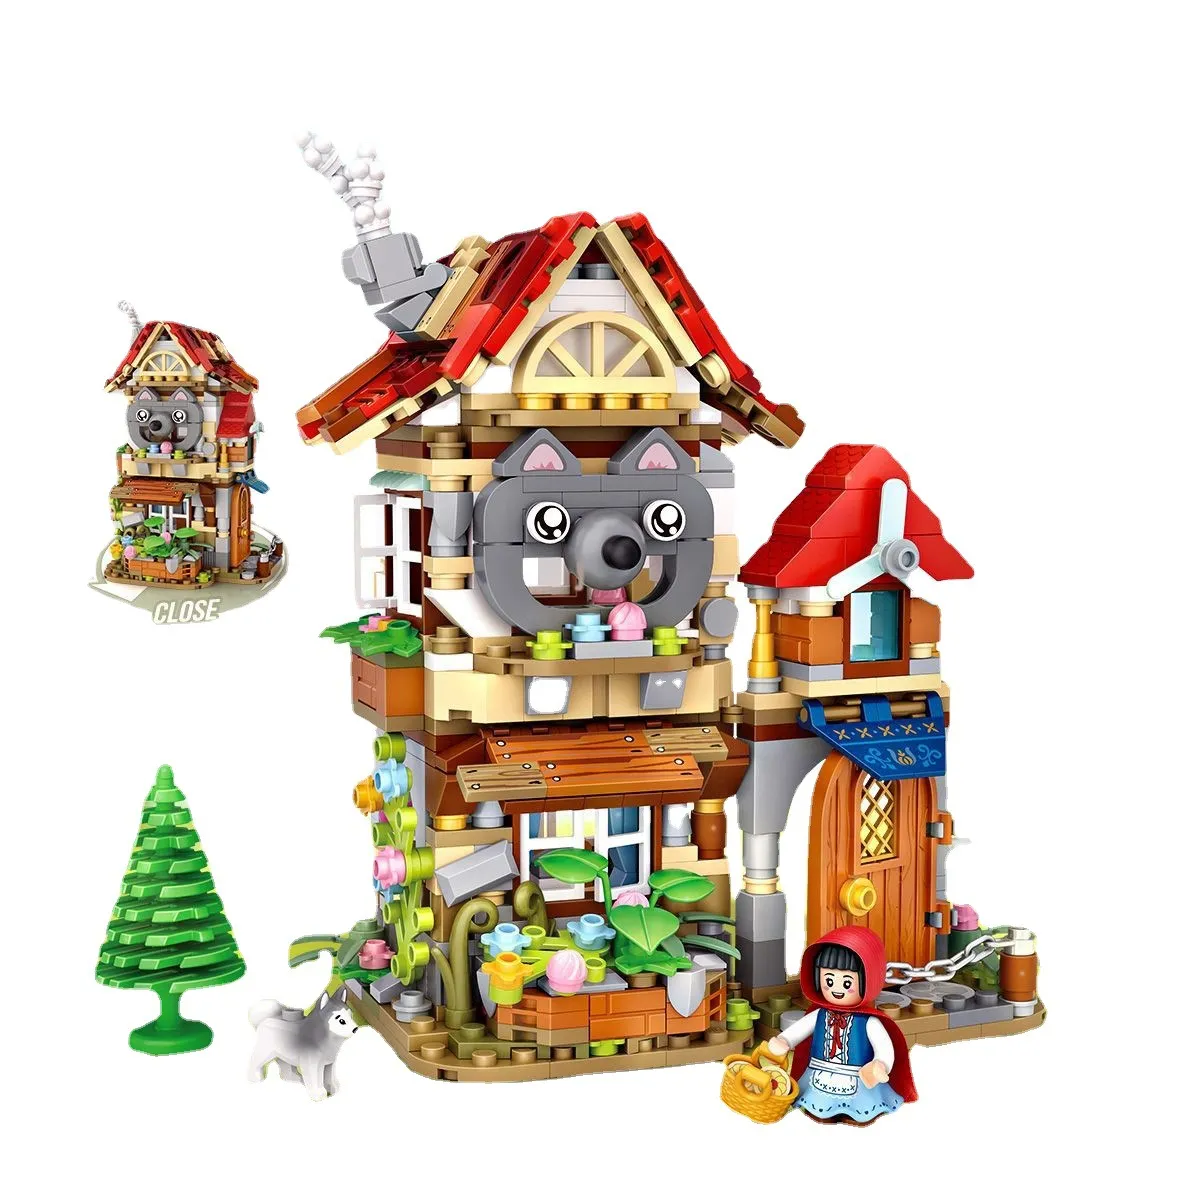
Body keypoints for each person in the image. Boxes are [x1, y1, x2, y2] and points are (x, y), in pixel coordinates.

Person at [767, 926, 916, 1125]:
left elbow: (884, 1048)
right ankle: (822, 1110)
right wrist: (785, 1040)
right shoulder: (819, 1015)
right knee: (819, 1105)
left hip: (859, 1078)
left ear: (868, 981)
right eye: (829, 981)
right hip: (820, 1072)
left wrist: (881, 1063)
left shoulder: (869, 1022)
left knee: (859, 1104)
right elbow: (799, 1030)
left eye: (847, 983)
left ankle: (855, 1113)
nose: (837, 989)